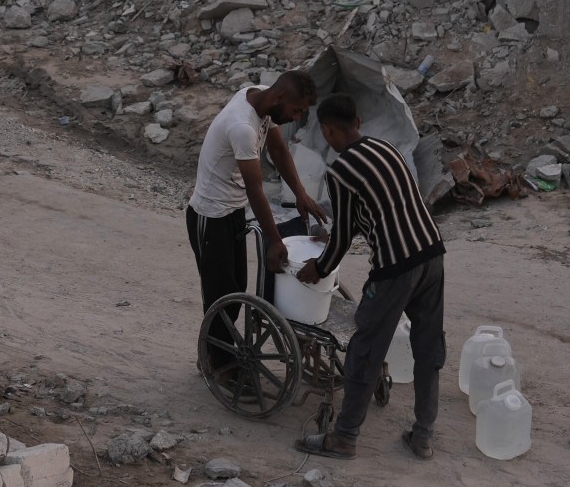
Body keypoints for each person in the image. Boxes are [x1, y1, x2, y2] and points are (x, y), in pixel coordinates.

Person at [294, 94, 446, 461]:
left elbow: (344, 235)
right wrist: (331, 230)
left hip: (395, 267)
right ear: (358, 122)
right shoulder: (386, 149)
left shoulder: (340, 171)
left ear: (328, 131)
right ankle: (423, 436)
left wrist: (319, 268)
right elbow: (384, 206)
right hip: (432, 254)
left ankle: (344, 437)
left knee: (364, 348)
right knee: (428, 348)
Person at [188, 69, 326, 355]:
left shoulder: (261, 98)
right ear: (279, 97)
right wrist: (274, 241)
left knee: (236, 290)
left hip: (232, 211)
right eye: (296, 110)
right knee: (220, 297)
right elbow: (255, 189)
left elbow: (278, 150)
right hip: (210, 216)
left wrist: (300, 193)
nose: (296, 117)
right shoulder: (242, 126)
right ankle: (217, 364)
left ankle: (224, 358)